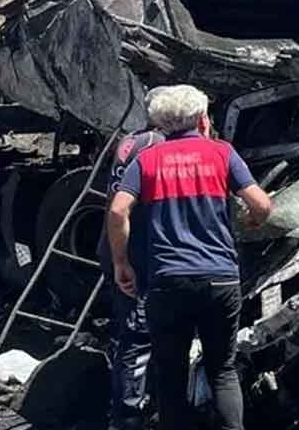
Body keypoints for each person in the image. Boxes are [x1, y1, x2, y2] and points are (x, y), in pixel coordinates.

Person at [107, 85, 272, 430]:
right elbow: (262, 205)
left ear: (164, 125)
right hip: (221, 280)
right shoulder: (222, 154)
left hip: (168, 282)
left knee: (170, 369)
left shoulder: (146, 161)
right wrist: (252, 220)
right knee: (222, 369)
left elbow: (118, 210)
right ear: (201, 119)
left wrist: (121, 262)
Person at [96, 125, 166, 430]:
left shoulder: (133, 139)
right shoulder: (158, 146)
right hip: (135, 254)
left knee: (130, 332)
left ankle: (133, 405)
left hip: (115, 248)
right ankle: (128, 417)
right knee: (138, 336)